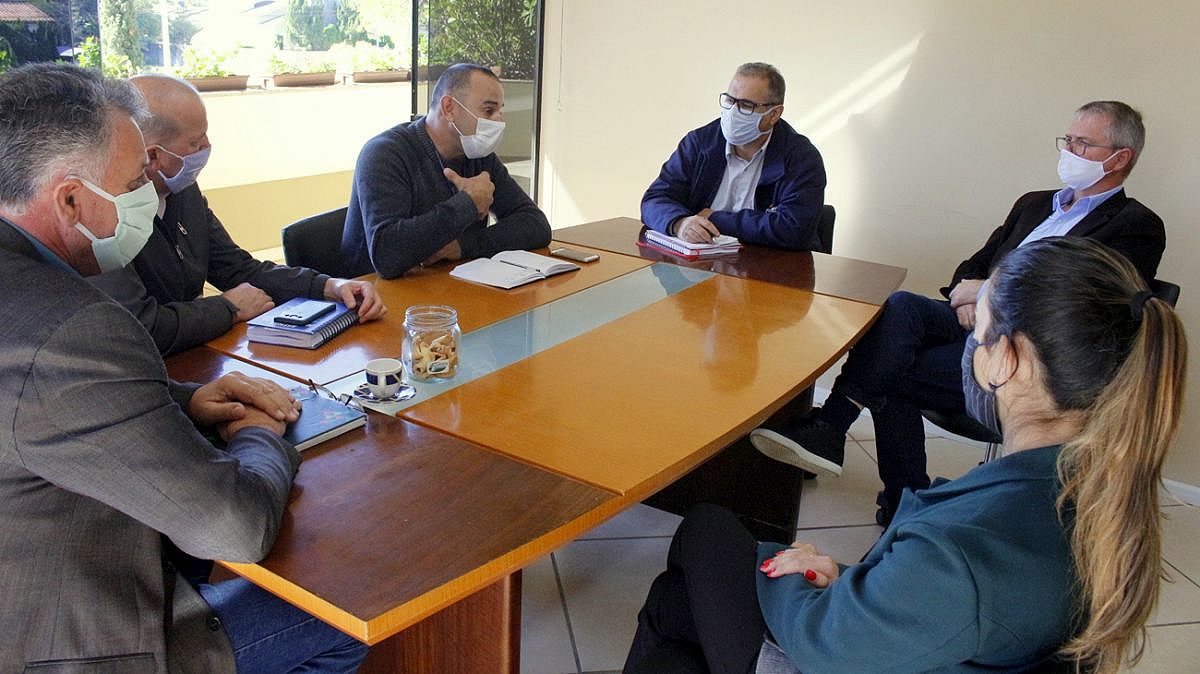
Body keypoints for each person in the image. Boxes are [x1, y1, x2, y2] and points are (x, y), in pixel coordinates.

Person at [626, 236, 1186, 674]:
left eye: (979, 333)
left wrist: (794, 573)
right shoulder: (1101, 487)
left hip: (842, 652)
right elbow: (934, 602)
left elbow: (832, 641)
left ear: (1005, 361)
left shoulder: (969, 550)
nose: (969, 348)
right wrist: (849, 579)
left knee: (704, 529)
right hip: (921, 640)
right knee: (674, 610)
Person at [0, 63, 367, 673]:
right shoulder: (75, 324)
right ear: (70, 198)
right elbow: (235, 530)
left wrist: (186, 399)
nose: (149, 188)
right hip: (68, 631)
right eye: (134, 177)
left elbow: (43, 400)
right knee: (347, 610)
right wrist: (259, 436)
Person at [750, 100, 1165, 525]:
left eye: (1083, 144)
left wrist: (987, 294)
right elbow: (972, 265)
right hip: (975, 326)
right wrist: (968, 297)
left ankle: (861, 457)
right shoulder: (1036, 204)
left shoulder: (1137, 225)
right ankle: (850, 448)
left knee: (895, 371)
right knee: (900, 305)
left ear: (1120, 158)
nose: (1069, 151)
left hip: (1029, 352)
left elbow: (1082, 300)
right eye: (1068, 140)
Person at [88, 73, 386, 356]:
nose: (207, 147)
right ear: (153, 156)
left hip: (205, 353)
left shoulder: (183, 190)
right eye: (195, 142)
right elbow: (142, 324)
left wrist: (329, 286)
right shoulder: (107, 217)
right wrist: (227, 307)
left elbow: (237, 268)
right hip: (160, 366)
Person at [341, 63, 551, 278]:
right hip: (376, 295)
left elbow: (536, 225)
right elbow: (387, 255)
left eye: (500, 110)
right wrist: (468, 203)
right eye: (489, 111)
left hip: (448, 284)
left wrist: (464, 246)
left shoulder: (479, 155)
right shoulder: (385, 153)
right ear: (449, 108)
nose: (500, 120)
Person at [641, 62, 826, 250]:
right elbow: (654, 200)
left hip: (773, 267)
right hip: (702, 265)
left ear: (774, 114)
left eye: (746, 105)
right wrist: (679, 223)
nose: (733, 113)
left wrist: (714, 219)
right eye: (730, 101)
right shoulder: (699, 143)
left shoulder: (802, 158)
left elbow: (794, 229)